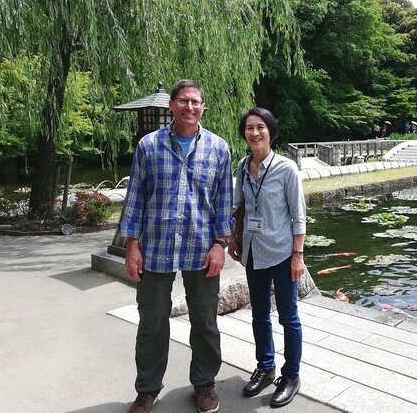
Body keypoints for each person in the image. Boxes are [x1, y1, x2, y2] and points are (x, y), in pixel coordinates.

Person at [119, 79, 232, 413]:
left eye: (196, 102)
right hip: (156, 246)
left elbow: (223, 201)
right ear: (171, 106)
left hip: (201, 246)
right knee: (152, 320)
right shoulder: (149, 146)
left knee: (205, 319)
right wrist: (132, 246)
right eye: (183, 101)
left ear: (203, 108)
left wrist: (220, 244)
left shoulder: (218, 148)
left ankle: (204, 382)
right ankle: (148, 389)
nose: (190, 107)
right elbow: (136, 197)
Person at [227, 107, 306, 408]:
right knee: (259, 314)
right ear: (244, 133)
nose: (255, 132)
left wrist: (297, 256)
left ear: (271, 131)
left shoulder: (286, 169)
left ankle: (291, 375)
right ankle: (266, 366)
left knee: (288, 316)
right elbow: (238, 206)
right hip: (253, 253)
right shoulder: (242, 166)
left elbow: (298, 217)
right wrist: (235, 238)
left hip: (283, 253)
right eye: (249, 127)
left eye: (261, 127)